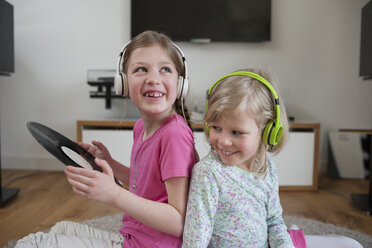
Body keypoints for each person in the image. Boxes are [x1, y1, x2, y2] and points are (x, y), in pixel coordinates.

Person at [16, 30, 198, 248]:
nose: (153, 79)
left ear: (180, 83)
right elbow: (150, 187)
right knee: (61, 229)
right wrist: (110, 165)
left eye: (165, 70)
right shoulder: (141, 127)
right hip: (134, 237)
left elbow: (180, 221)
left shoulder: (174, 135)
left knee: (33, 243)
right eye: (141, 69)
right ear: (123, 82)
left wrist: (115, 195)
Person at [182, 69, 363, 248]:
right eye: (215, 128)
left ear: (268, 132)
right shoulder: (208, 173)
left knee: (351, 244)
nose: (223, 141)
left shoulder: (267, 168)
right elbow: (196, 237)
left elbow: (274, 220)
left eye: (236, 132)